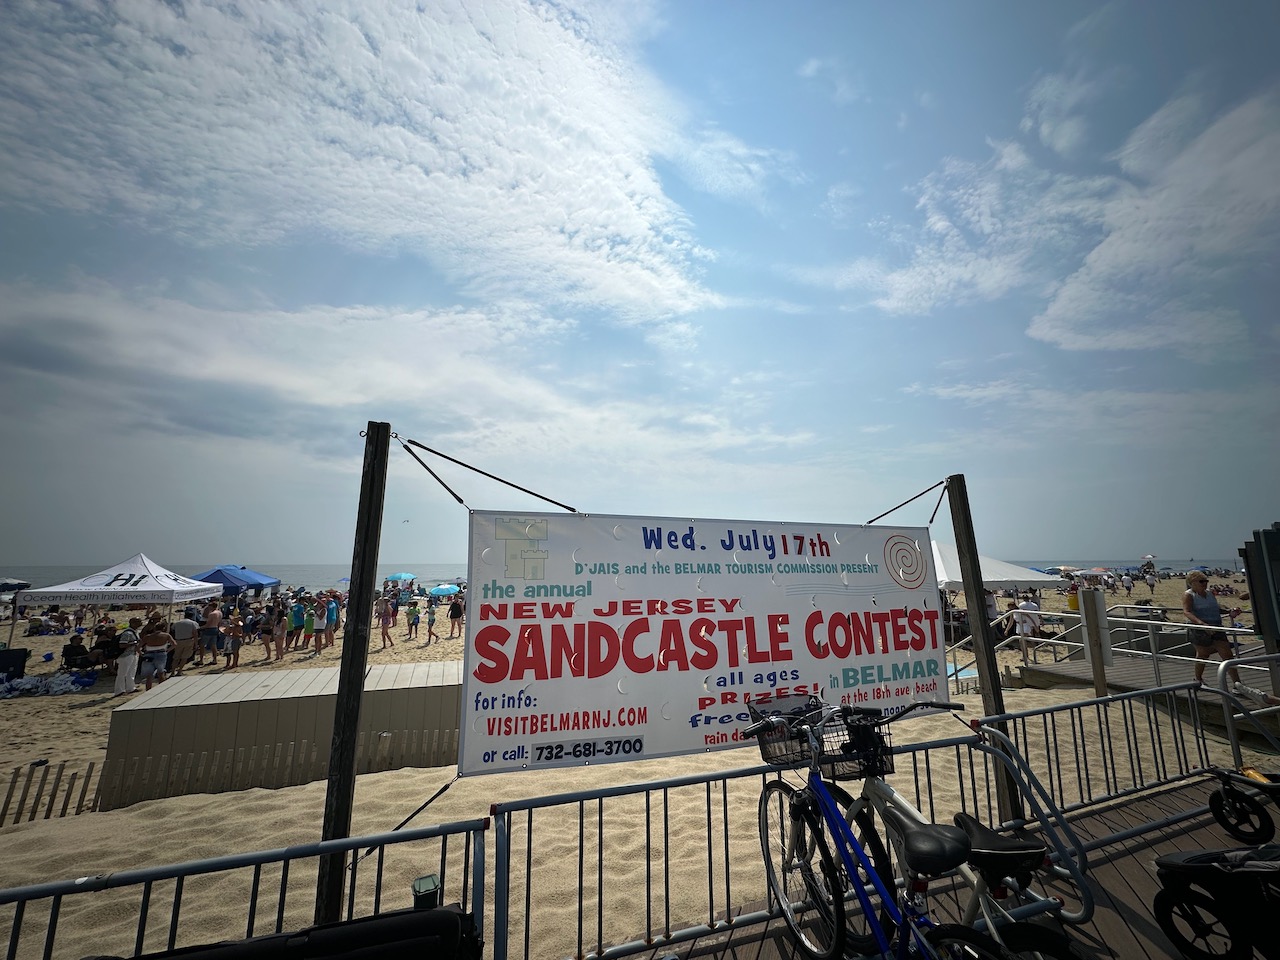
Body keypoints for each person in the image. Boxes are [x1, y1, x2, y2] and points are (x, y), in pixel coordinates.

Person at [1183, 572, 1241, 688]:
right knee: (1203, 655)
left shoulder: (1210, 593)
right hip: (1199, 629)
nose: (1205, 584)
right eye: (1201, 581)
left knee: (1227, 655)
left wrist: (1229, 611)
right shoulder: (1189, 595)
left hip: (1216, 627)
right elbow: (1187, 611)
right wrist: (1202, 624)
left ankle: (1237, 684)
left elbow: (1216, 609)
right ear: (1192, 583)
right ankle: (1198, 679)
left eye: (1206, 581)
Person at [138, 620, 173, 691]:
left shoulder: (148, 636)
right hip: (161, 653)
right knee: (161, 673)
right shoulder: (166, 635)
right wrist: (167, 650)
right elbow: (174, 644)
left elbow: (138, 647)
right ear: (163, 628)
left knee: (149, 675)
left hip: (149, 654)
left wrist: (141, 653)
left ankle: (148, 690)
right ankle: (161, 690)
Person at [170, 609, 199, 675]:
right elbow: (195, 634)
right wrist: (196, 644)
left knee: (176, 657)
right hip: (188, 640)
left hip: (178, 640)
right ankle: (179, 671)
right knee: (184, 657)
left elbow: (172, 630)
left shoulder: (177, 623)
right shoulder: (193, 623)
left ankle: (172, 672)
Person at [114, 623, 139, 696]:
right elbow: (122, 645)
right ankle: (119, 690)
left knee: (131, 672)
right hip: (125, 655)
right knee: (122, 673)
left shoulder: (135, 632)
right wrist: (133, 643)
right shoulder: (127, 633)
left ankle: (131, 687)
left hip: (133, 653)